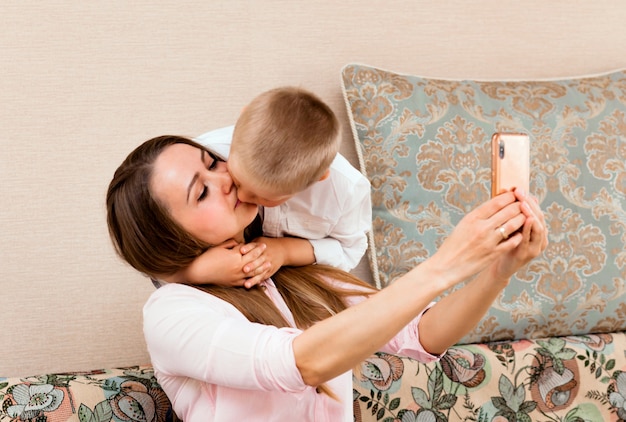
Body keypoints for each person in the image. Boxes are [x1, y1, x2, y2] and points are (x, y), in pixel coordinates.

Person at [106, 135, 548, 422]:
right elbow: (299, 363)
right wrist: (445, 264)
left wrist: (498, 271)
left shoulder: (296, 274)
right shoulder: (172, 312)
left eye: (213, 162)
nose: (225, 178)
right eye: (200, 191)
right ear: (170, 239)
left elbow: (422, 333)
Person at [165, 87, 371, 288]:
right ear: (240, 122)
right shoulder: (209, 153)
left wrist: (286, 252)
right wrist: (197, 271)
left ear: (318, 178)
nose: (243, 196)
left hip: (302, 285)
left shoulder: (347, 190)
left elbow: (350, 249)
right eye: (237, 180)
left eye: (262, 197)